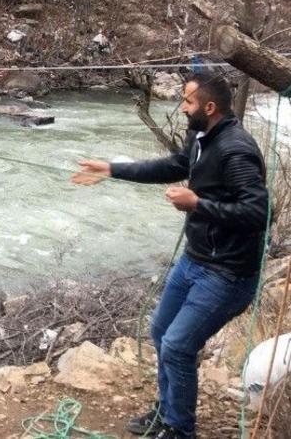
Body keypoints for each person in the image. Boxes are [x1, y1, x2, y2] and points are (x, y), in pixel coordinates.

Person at [72, 71, 267, 439]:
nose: (182, 108)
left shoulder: (235, 150)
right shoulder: (200, 136)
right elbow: (173, 166)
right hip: (196, 259)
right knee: (161, 331)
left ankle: (180, 429)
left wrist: (198, 204)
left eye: (188, 102)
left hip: (228, 273)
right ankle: (167, 411)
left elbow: (257, 212)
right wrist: (112, 169)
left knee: (178, 345)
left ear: (209, 108)